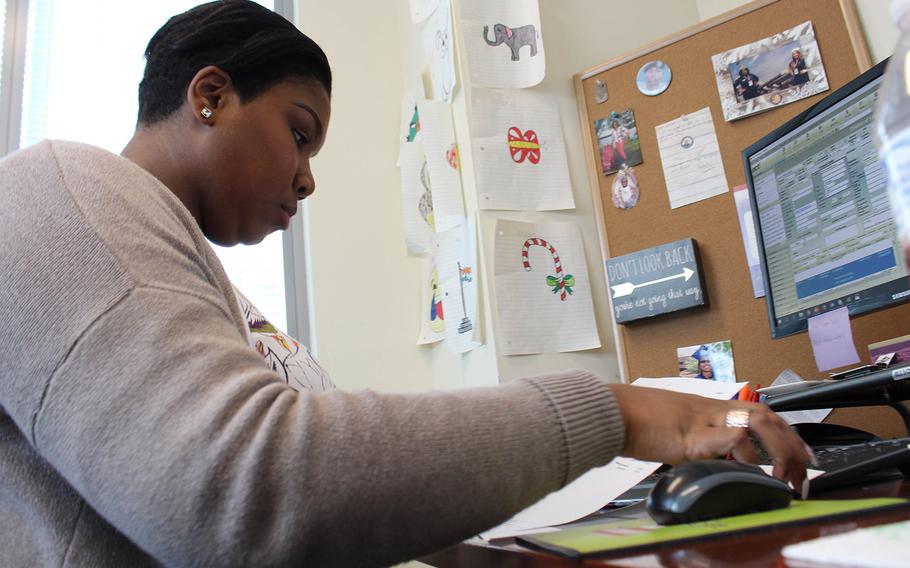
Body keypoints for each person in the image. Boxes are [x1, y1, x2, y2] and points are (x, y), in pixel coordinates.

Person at [0, 1, 812, 566]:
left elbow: (336, 480)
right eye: (299, 134)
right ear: (211, 95)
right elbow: (251, 494)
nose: (307, 180)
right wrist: (615, 413)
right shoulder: (59, 190)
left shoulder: (209, 292)